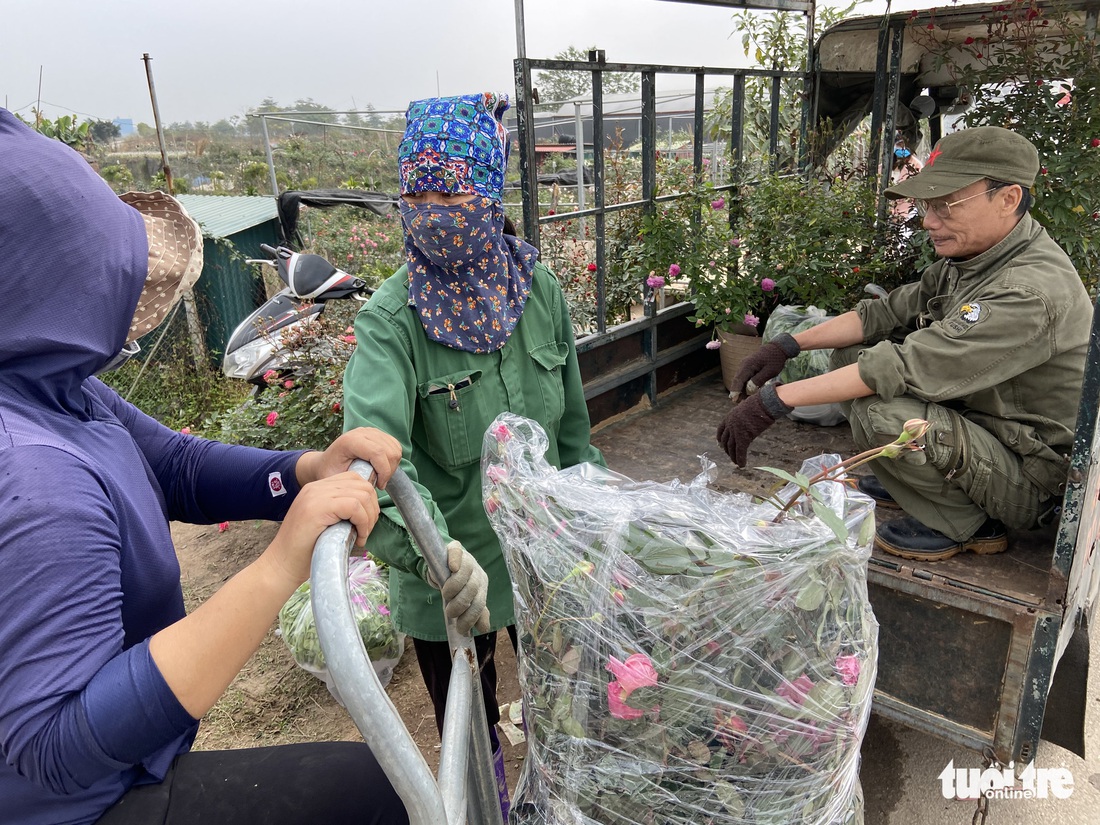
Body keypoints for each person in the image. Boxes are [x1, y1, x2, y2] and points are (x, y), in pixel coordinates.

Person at [0, 109, 490, 825]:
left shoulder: (57, 388)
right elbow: (56, 746)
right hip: (79, 804)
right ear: (52, 292)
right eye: (112, 282)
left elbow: (178, 466)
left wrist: (306, 468)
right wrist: (277, 565)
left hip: (112, 770)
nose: (131, 306)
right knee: (366, 793)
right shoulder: (36, 478)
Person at [341, 92, 606, 818]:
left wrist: (608, 526)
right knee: (471, 723)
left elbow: (576, 437)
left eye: (450, 187)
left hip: (547, 563)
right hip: (451, 583)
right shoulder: (392, 321)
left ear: (488, 190)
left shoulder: (538, 290)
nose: (433, 208)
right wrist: (433, 551)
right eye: (417, 191)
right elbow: (375, 460)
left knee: (565, 706)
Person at [717, 126, 1091, 562]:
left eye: (947, 205)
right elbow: (885, 312)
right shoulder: (977, 257)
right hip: (987, 424)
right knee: (849, 359)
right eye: (928, 204)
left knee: (882, 412)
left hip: (1030, 475)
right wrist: (785, 345)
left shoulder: (1027, 290)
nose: (930, 221)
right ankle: (915, 484)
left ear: (1007, 199)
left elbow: (906, 366)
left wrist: (772, 403)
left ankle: (967, 524)